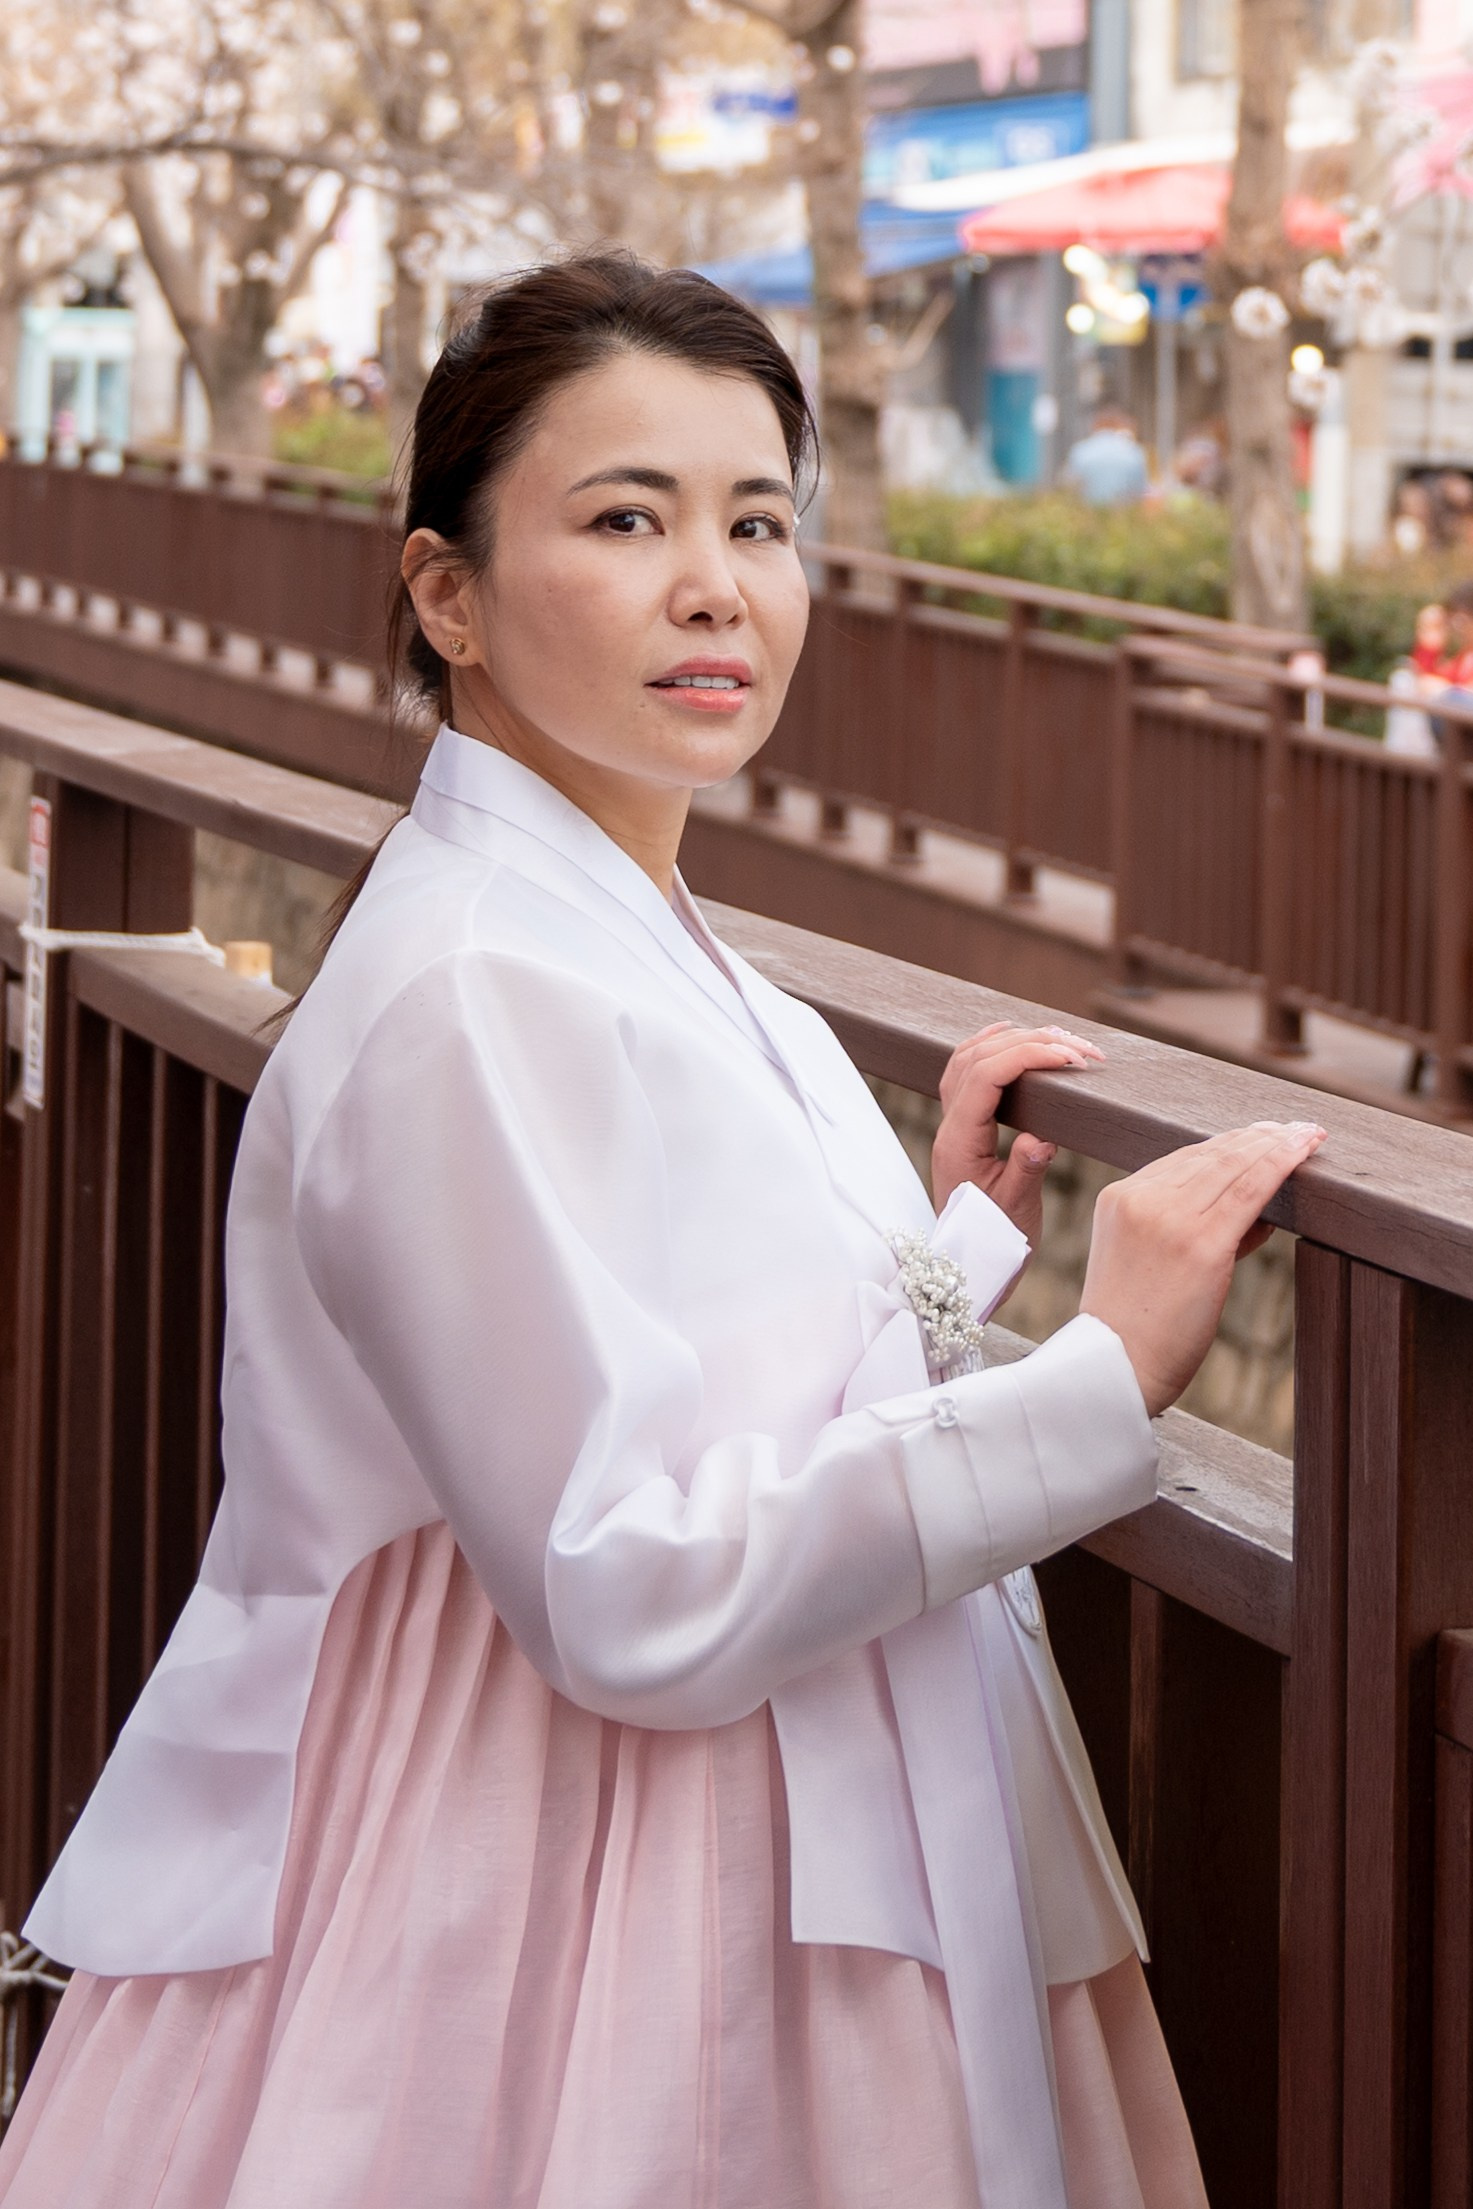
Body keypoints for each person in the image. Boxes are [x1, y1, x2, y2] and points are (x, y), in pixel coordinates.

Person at [0, 251, 1325, 2209]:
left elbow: (660, 1346)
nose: (715, 585)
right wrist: (1097, 1374)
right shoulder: (478, 982)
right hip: (609, 1895)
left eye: (756, 523)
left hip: (667, 1838)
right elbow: (625, 1581)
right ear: (446, 592)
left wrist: (949, 1250)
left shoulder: (595, 921)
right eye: (627, 519)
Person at [1061, 406, 1149, 507]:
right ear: (1119, 425)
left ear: (1095, 425)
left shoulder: (1080, 450)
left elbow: (1068, 486)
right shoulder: (1134, 451)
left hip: (1087, 512)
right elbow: (1142, 490)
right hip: (1123, 512)